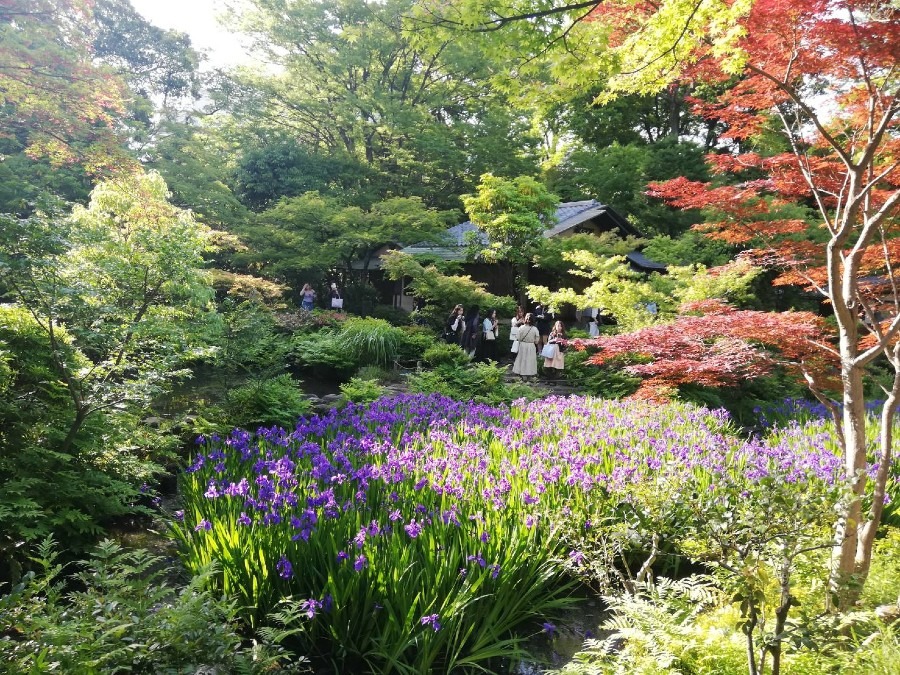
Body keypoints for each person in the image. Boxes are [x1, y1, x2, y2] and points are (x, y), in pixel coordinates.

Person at [512, 313, 540, 381]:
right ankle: (529, 375)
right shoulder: (535, 329)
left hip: (522, 345)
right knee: (530, 360)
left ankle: (522, 374)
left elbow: (517, 337)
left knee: (522, 359)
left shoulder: (521, 328)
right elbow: (537, 341)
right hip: (531, 346)